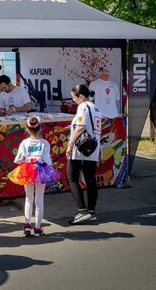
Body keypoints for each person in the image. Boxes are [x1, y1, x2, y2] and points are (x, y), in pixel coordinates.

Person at [10, 116, 57, 237]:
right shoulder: (44, 143)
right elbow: (48, 161)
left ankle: (27, 225)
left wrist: (27, 160)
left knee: (28, 198)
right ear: (40, 128)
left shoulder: (24, 143)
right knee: (39, 199)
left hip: (27, 171)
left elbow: (18, 159)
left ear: (27, 129)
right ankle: (37, 227)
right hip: (41, 170)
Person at [65, 84, 102, 224]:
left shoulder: (83, 107)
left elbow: (81, 127)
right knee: (90, 178)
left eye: (74, 97)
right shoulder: (95, 107)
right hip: (92, 148)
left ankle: (82, 210)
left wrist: (69, 145)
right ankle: (91, 211)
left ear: (81, 96)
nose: (73, 100)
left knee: (72, 177)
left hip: (80, 148)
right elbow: (93, 128)